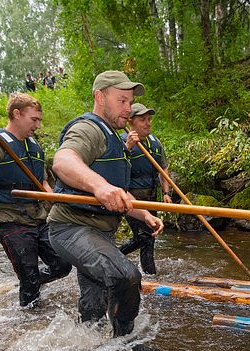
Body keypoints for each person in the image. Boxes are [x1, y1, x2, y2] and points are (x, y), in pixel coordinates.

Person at [47, 70, 163, 337]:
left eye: (130, 101)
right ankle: (125, 341)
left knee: (93, 312)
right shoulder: (88, 129)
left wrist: (145, 215)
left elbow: (121, 194)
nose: (128, 108)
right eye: (122, 101)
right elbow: (63, 161)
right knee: (126, 277)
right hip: (71, 229)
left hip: (100, 233)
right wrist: (99, 186)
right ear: (100, 97)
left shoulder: (116, 139)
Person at [0, 93, 72, 307]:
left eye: (39, 120)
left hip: (39, 217)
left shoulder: (34, 146)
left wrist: (52, 198)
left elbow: (43, 180)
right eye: (34, 119)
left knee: (63, 264)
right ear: (17, 114)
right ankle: (29, 318)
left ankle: (30, 283)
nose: (37, 125)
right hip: (10, 218)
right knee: (29, 275)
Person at [118, 103, 172, 275]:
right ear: (131, 121)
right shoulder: (121, 142)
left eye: (149, 119)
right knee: (146, 237)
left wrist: (166, 192)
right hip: (131, 199)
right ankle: (151, 276)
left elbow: (163, 169)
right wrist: (128, 147)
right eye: (142, 120)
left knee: (147, 238)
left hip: (152, 198)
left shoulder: (155, 142)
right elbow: (115, 169)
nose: (148, 123)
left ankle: (113, 257)